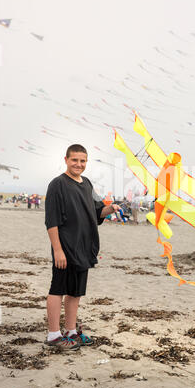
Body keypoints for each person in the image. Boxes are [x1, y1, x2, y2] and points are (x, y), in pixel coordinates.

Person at [45, 144, 121, 351]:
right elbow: (51, 221)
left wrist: (111, 208)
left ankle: (70, 331)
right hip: (65, 246)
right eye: (75, 160)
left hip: (84, 246)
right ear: (66, 160)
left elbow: (97, 212)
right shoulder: (57, 184)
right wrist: (58, 250)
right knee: (58, 288)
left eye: (83, 161)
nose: (79, 164)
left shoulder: (87, 184)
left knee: (76, 292)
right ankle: (53, 335)